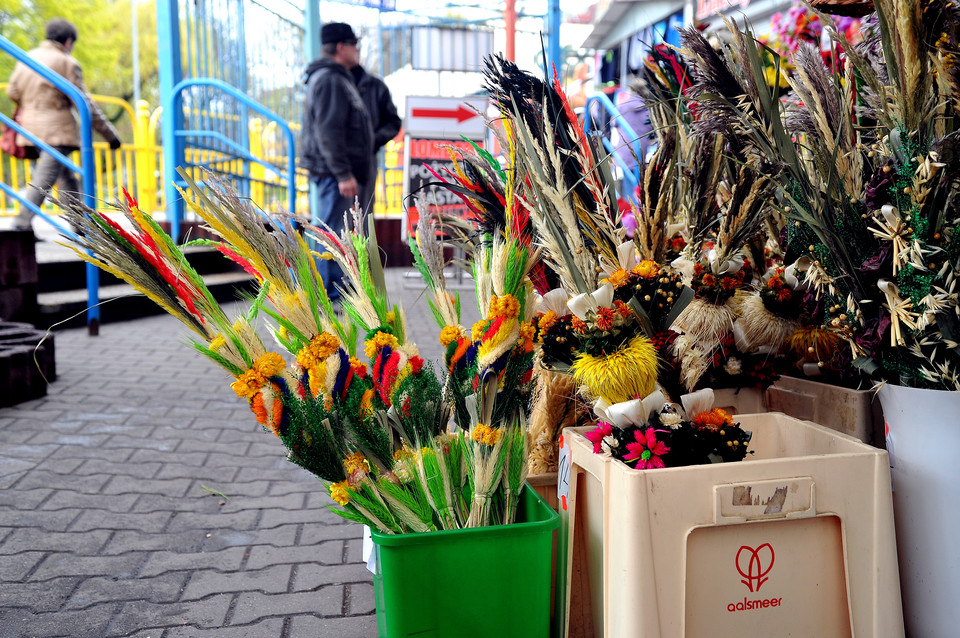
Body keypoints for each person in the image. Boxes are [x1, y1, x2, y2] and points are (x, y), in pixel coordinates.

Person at [6, 18, 121, 232]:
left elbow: (12, 91)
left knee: (65, 175)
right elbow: (84, 103)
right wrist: (110, 135)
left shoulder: (27, 58)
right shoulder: (67, 63)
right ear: (68, 41)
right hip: (56, 129)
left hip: (30, 128)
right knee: (46, 176)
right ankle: (20, 224)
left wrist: (33, 105)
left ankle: (80, 225)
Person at [300, 22, 375, 300]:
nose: (358, 50)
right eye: (354, 44)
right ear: (341, 47)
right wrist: (344, 174)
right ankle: (329, 294)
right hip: (334, 174)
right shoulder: (330, 80)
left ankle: (335, 290)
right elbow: (329, 131)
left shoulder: (336, 77)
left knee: (334, 229)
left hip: (335, 172)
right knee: (331, 231)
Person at [350, 62, 401, 212]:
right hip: (335, 158)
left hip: (366, 158)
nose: (355, 48)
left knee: (365, 215)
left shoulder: (376, 86)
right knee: (336, 221)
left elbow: (393, 122)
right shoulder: (331, 82)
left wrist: (372, 141)